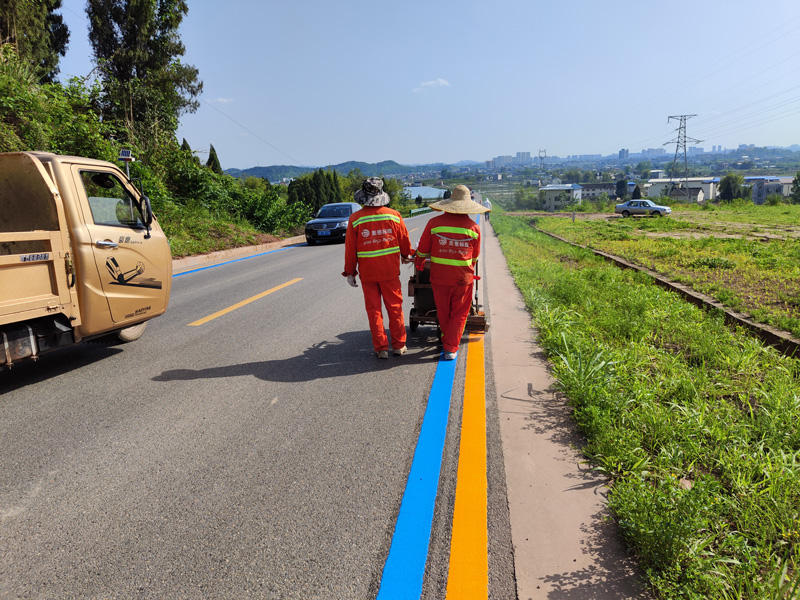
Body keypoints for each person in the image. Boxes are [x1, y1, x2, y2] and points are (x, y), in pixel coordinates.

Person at [414, 185, 488, 360]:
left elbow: (423, 250)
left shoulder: (434, 223)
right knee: (459, 314)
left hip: (439, 278)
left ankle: (447, 340)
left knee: (443, 311)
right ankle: (450, 347)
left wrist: (419, 262)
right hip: (463, 279)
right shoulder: (473, 228)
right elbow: (475, 257)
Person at [343, 178, 414, 359]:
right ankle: (399, 345)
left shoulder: (355, 219)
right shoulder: (394, 215)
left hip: (368, 273)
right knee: (395, 307)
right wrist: (406, 256)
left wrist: (350, 272)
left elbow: (351, 249)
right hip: (390, 271)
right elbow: (404, 240)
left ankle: (381, 348)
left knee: (374, 310)